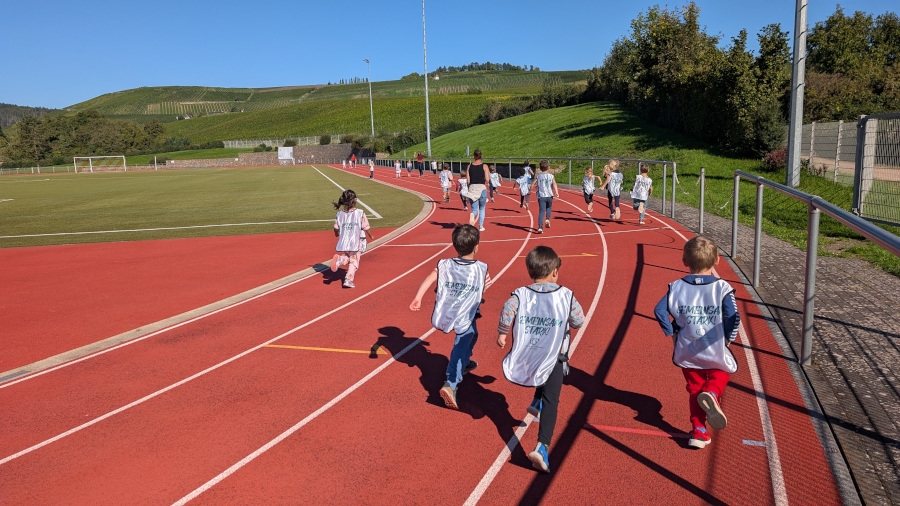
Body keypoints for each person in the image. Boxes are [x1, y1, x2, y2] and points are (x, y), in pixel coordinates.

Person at [497, 245, 585, 473]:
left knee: (540, 372)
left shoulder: (521, 293)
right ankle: (542, 445)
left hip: (530, 351)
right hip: (555, 355)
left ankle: (536, 400)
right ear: (555, 271)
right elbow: (578, 321)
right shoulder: (566, 295)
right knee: (552, 401)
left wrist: (502, 332)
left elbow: (508, 309)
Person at [653, 235, 740, 449]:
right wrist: (729, 338)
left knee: (694, 389)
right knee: (722, 372)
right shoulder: (722, 288)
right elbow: (733, 317)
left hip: (687, 349)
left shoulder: (676, 287)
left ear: (685, 261)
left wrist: (672, 332)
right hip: (714, 347)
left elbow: (659, 311)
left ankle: (698, 431)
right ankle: (712, 392)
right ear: (717, 260)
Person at [410, 224, 491, 410]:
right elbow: (483, 290)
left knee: (473, 336)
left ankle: (466, 361)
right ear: (477, 246)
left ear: (454, 245)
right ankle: (451, 383)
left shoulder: (445, 265)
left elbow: (431, 277)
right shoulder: (481, 270)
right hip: (466, 314)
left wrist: (418, 297)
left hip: (448, 309)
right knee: (461, 343)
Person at [330, 189, 374, 289]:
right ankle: (348, 279)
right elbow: (365, 226)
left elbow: (336, 228)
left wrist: (336, 234)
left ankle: (340, 260)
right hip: (356, 240)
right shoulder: (360, 213)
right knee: (354, 261)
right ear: (354, 200)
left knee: (348, 255)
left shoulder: (340, 214)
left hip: (345, 240)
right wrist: (371, 235)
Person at [530, 160, 559, 234]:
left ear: (540, 168)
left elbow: (533, 183)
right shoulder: (551, 176)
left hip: (541, 196)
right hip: (549, 195)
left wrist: (530, 190)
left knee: (541, 211)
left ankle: (540, 227)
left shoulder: (538, 176)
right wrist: (556, 192)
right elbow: (555, 184)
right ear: (548, 167)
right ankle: (548, 219)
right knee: (549, 208)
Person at [465, 149, 490, 232]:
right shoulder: (484, 166)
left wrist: (469, 188)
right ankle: (480, 226)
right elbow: (487, 179)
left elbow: (468, 181)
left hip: (472, 188)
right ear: (481, 156)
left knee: (474, 209)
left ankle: (473, 214)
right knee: (482, 208)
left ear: (474, 156)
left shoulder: (469, 166)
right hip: (481, 188)